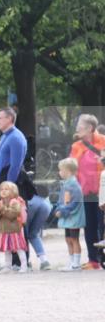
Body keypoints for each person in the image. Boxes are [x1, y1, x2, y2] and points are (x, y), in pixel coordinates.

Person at [68, 113, 105, 269]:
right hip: (85, 193)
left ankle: (102, 258)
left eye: (80, 127)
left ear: (90, 128)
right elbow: (70, 168)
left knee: (102, 226)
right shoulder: (76, 146)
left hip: (102, 193)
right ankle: (93, 260)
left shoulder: (103, 142)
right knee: (89, 226)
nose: (77, 129)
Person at [56, 158, 85, 271]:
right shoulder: (66, 184)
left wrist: (62, 211)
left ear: (67, 171)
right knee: (68, 239)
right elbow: (61, 199)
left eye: (61, 170)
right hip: (67, 217)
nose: (60, 172)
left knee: (74, 239)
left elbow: (75, 202)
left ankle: (76, 264)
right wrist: (58, 208)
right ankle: (72, 262)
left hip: (73, 217)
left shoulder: (73, 185)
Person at [0, 180, 27, 272]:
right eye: (1, 189)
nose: (3, 191)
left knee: (19, 248)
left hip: (15, 230)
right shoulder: (1, 202)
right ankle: (8, 267)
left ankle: (24, 266)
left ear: (13, 191)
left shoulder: (15, 202)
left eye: (6, 189)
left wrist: (2, 209)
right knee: (7, 250)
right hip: (5, 230)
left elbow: (12, 215)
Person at [0, 108, 27, 189]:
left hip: (9, 187)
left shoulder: (16, 138)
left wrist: (8, 188)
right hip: (0, 183)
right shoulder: (4, 136)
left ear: (9, 119)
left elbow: (15, 166)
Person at [24, 192, 52, 271]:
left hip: (29, 203)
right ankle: (44, 261)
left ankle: (24, 262)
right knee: (34, 234)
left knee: (23, 235)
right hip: (46, 204)